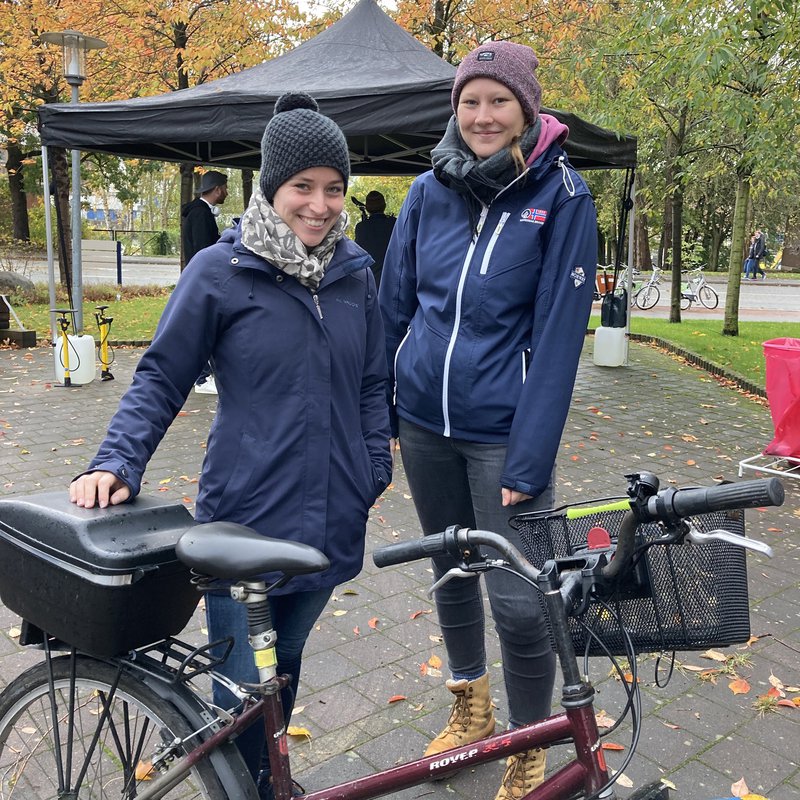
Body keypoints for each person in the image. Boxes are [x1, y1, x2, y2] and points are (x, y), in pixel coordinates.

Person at [70, 92, 392, 800]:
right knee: (240, 692)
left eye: (333, 189)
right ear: (270, 188)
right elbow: (161, 374)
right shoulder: (222, 270)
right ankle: (238, 786)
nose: (320, 204)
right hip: (243, 521)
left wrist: (375, 463)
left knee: (284, 671)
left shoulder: (355, 274)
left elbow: (374, 380)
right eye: (302, 187)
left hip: (332, 518)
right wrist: (114, 460)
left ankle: (267, 781)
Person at [379, 41, 597, 800]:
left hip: (503, 438)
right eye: (470, 101)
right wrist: (385, 416)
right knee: (449, 573)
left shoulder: (563, 197)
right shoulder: (426, 193)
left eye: (497, 101)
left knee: (518, 598)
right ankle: (470, 705)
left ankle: (531, 741)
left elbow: (563, 338)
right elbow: (391, 311)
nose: (481, 116)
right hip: (425, 426)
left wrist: (530, 459)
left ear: (525, 109)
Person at [181, 169, 229, 393]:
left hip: (199, 277)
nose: (227, 193)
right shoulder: (201, 214)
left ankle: (199, 375)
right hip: (203, 279)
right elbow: (204, 250)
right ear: (218, 189)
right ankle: (201, 379)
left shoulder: (199, 212)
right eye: (225, 188)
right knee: (203, 329)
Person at [354, 190, 396, 288]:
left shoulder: (361, 227)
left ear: (367, 208)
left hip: (369, 282)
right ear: (384, 206)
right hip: (392, 280)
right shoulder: (394, 224)